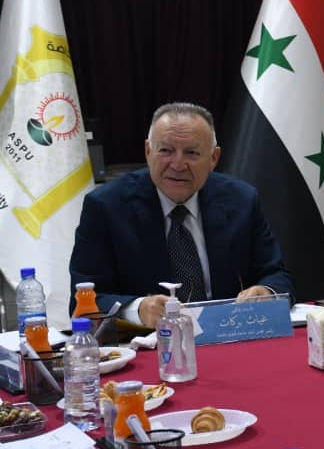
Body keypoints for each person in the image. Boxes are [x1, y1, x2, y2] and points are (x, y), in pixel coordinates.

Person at [69, 102, 293, 327]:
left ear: (213, 158)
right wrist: (137, 308)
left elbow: (276, 275)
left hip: (229, 334)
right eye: (165, 151)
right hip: (148, 341)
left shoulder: (241, 200)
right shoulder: (106, 207)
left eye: (191, 153)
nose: (177, 164)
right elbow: (85, 299)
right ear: (148, 151)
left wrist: (267, 292)